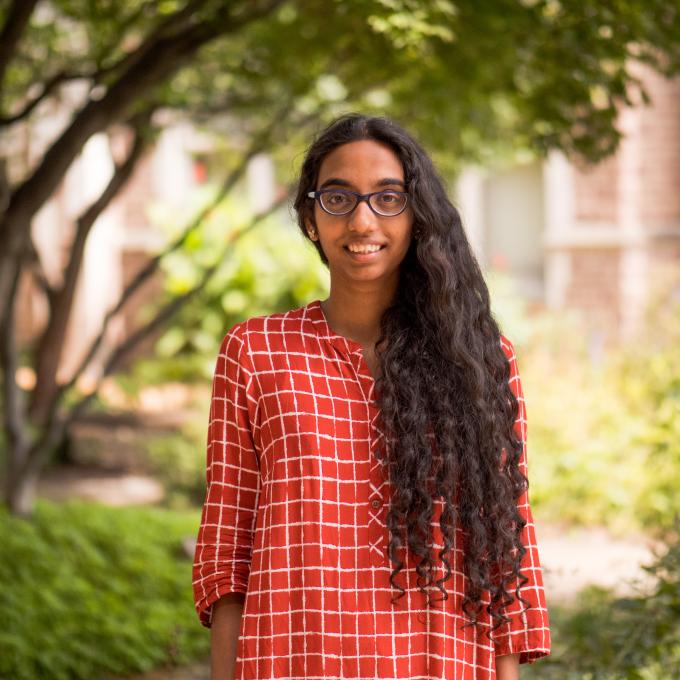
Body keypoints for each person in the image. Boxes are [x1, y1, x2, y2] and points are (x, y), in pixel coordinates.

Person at [192, 113, 551, 680]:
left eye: (388, 198)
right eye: (338, 198)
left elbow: (506, 554)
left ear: (418, 216)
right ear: (309, 217)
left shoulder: (480, 361)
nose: (362, 221)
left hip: (440, 663)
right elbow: (226, 558)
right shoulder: (255, 352)